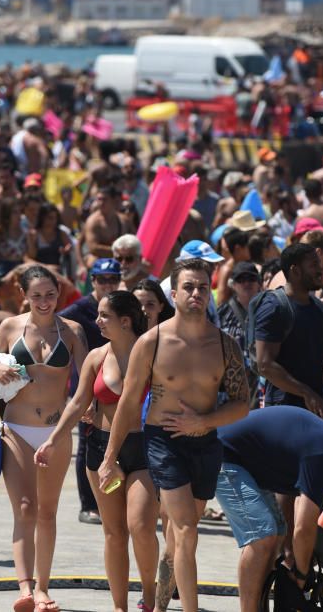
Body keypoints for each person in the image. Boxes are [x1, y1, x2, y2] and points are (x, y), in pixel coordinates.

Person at [98, 258, 251, 612]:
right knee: (186, 531)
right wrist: (110, 457)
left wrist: (204, 421)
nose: (196, 293)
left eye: (202, 287)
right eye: (188, 287)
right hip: (163, 440)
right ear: (174, 293)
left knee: (178, 539)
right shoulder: (152, 342)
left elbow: (242, 404)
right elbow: (129, 403)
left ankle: (159, 603)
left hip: (205, 442)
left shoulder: (225, 345)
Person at [35, 291, 158, 612]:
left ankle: (150, 593)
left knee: (141, 526)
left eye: (104, 316)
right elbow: (77, 402)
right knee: (114, 534)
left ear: (125, 321)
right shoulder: (97, 357)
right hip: (101, 449)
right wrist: (52, 439)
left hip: (142, 448)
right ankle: (119, 606)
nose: (97, 321)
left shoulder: (152, 353)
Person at [0, 266, 88, 612]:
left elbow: (87, 382)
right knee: (25, 509)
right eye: (36, 295)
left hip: (56, 433)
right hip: (17, 428)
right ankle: (25, 588)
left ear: (59, 294)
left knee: (47, 512)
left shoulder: (72, 331)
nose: (44, 302)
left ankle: (43, 589)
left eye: (50, 295)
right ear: (23, 295)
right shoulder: (10, 327)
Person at [214, 406, 323, 611]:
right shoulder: (321, 456)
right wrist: (301, 574)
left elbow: (299, 512)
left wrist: (296, 564)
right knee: (262, 537)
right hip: (224, 454)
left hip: (244, 460)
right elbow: (304, 527)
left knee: (277, 533)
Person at [254, 243, 323, 417]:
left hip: (316, 409)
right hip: (282, 411)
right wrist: (306, 392)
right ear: (295, 271)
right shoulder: (273, 307)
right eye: (313, 265)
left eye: (320, 264)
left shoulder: (322, 310)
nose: (321, 270)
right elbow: (265, 365)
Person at [60, 258, 122, 525]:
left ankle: (113, 501)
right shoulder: (79, 310)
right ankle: (89, 504)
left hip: (115, 385)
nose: (107, 284)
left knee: (116, 444)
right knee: (88, 444)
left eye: (112, 279)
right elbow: (54, 325)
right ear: (92, 281)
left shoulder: (121, 304)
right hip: (87, 386)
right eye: (102, 279)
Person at [216, 261, 262, 363]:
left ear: (259, 283)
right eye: (241, 279)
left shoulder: (269, 309)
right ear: (233, 285)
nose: (246, 283)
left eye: (251, 279)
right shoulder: (222, 313)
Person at [84, 186, 127, 268]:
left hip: (120, 263)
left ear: (113, 200)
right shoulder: (92, 221)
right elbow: (93, 248)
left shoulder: (123, 220)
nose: (101, 203)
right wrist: (121, 251)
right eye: (99, 199)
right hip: (99, 266)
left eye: (104, 199)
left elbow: (136, 238)